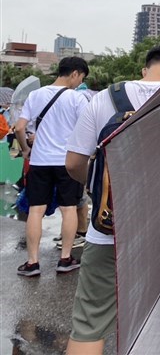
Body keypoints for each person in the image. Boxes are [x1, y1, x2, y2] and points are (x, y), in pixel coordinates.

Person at [64, 44, 160, 355]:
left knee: (89, 325)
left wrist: (96, 187)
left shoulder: (104, 98)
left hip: (110, 231)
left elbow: (73, 163)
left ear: (145, 70)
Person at [14, 57, 89, 277]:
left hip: (40, 161)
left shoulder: (35, 95)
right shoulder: (77, 99)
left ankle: (32, 262)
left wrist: (26, 149)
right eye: (80, 78)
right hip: (67, 163)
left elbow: (19, 127)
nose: (78, 83)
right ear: (75, 74)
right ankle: (65, 259)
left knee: (36, 210)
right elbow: (85, 131)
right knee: (69, 209)